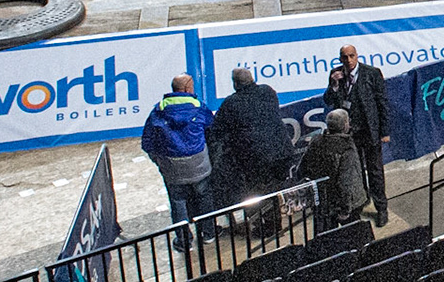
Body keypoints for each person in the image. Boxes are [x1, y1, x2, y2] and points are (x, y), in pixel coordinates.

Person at [141, 75, 217, 250]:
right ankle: (209, 233)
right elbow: (212, 130)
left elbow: (147, 143)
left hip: (172, 168)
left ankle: (183, 240)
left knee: (178, 203)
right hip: (199, 165)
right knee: (204, 197)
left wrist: (160, 161)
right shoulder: (199, 108)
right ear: (187, 88)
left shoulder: (157, 112)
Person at [322, 46, 389, 227]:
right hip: (349, 133)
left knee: (375, 171)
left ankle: (381, 207)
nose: (349, 60)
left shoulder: (372, 73)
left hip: (369, 130)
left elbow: (382, 102)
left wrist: (385, 131)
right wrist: (334, 85)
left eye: (352, 56)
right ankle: (362, 200)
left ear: (357, 56)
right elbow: (328, 100)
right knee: (355, 171)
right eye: (345, 57)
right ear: (340, 59)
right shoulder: (336, 74)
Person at [214, 67, 293, 203]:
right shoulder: (268, 91)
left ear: (235, 83)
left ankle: (269, 214)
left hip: (255, 158)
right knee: (280, 188)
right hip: (281, 151)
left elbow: (218, 129)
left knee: (260, 195)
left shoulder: (231, 103)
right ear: (252, 78)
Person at [299, 109, 379, 228]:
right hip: (345, 205)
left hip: (323, 202)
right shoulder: (346, 148)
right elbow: (345, 182)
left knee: (327, 236)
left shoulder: (316, 141)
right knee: (355, 234)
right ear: (345, 125)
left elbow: (302, 170)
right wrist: (345, 209)